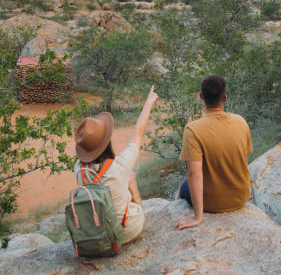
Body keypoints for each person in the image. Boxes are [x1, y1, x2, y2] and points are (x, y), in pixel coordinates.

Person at [74, 86, 158, 244]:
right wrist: (149, 103)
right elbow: (138, 133)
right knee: (130, 177)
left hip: (95, 236)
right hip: (124, 232)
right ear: (106, 141)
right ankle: (140, 210)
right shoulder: (120, 165)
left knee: (125, 178)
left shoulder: (78, 169)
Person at [175, 75, 252, 230]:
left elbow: (195, 174)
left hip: (212, 203)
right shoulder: (241, 121)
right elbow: (244, 156)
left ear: (201, 96)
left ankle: (179, 205)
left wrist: (197, 218)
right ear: (225, 98)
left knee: (183, 186)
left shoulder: (193, 129)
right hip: (241, 198)